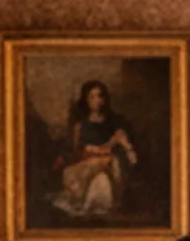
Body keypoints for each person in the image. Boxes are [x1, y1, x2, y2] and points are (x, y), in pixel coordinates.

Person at [53, 79, 138, 218]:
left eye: (100, 96)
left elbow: (121, 140)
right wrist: (110, 145)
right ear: (86, 100)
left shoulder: (113, 122)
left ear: (104, 99)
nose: (97, 100)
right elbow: (82, 152)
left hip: (107, 170)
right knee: (108, 161)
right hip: (82, 172)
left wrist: (127, 149)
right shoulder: (80, 126)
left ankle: (107, 203)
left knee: (103, 178)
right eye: (92, 97)